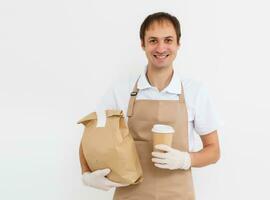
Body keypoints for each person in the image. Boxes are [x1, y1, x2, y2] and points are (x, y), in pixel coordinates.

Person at [79, 12, 221, 200]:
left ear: (178, 44)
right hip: (130, 194)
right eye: (153, 40)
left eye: (168, 40)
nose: (161, 48)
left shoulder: (195, 92)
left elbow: (213, 150)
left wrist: (186, 159)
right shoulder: (121, 90)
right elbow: (90, 136)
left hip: (178, 195)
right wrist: (87, 174)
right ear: (142, 44)